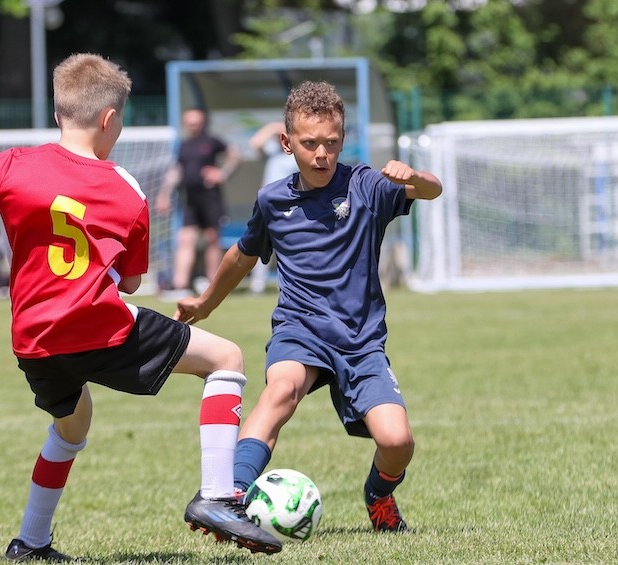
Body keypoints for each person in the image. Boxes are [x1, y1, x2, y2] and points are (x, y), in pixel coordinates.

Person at [0, 51, 282, 562]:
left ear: (58, 112)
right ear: (110, 119)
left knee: (72, 426)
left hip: (35, 342)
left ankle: (31, 542)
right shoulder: (126, 189)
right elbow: (130, 282)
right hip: (98, 330)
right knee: (226, 358)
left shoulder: (14, 165)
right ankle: (217, 496)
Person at [173, 81, 443, 533]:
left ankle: (378, 494)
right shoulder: (272, 200)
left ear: (343, 140)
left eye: (331, 143)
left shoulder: (366, 186)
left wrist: (413, 177)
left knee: (397, 441)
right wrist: (205, 302)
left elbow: (433, 190)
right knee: (280, 391)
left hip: (360, 341)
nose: (321, 154)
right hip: (301, 329)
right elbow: (241, 256)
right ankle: (229, 497)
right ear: (287, 142)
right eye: (309, 143)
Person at [156, 108, 239, 293]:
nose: (193, 124)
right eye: (190, 121)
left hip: (211, 198)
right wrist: (164, 195)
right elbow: (177, 171)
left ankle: (212, 285)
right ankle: (179, 285)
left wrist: (222, 173)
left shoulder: (212, 141)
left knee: (212, 238)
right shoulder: (184, 145)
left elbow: (234, 155)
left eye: (196, 121)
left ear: (203, 122)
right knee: (185, 239)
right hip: (190, 200)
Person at [247, 121, 297, 294]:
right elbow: (255, 143)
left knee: (288, 245)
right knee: (261, 242)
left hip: (290, 205)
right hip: (268, 204)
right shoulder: (273, 150)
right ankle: (257, 283)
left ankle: (287, 284)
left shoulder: (296, 154)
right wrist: (273, 128)